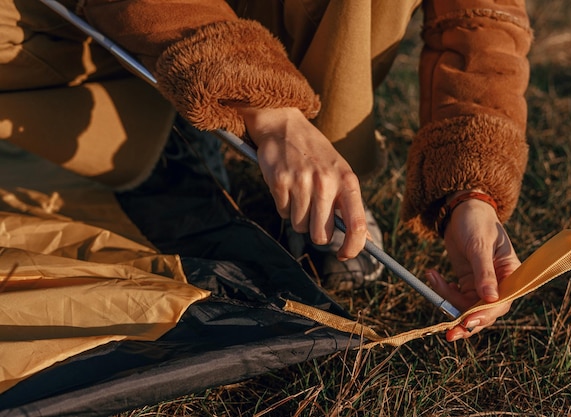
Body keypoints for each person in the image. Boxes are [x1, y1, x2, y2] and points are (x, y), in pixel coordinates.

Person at [0, 0, 532, 342]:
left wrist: (471, 190)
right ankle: (191, 124)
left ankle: (327, 185)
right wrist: (263, 103)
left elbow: (480, 20)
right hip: (81, 45)